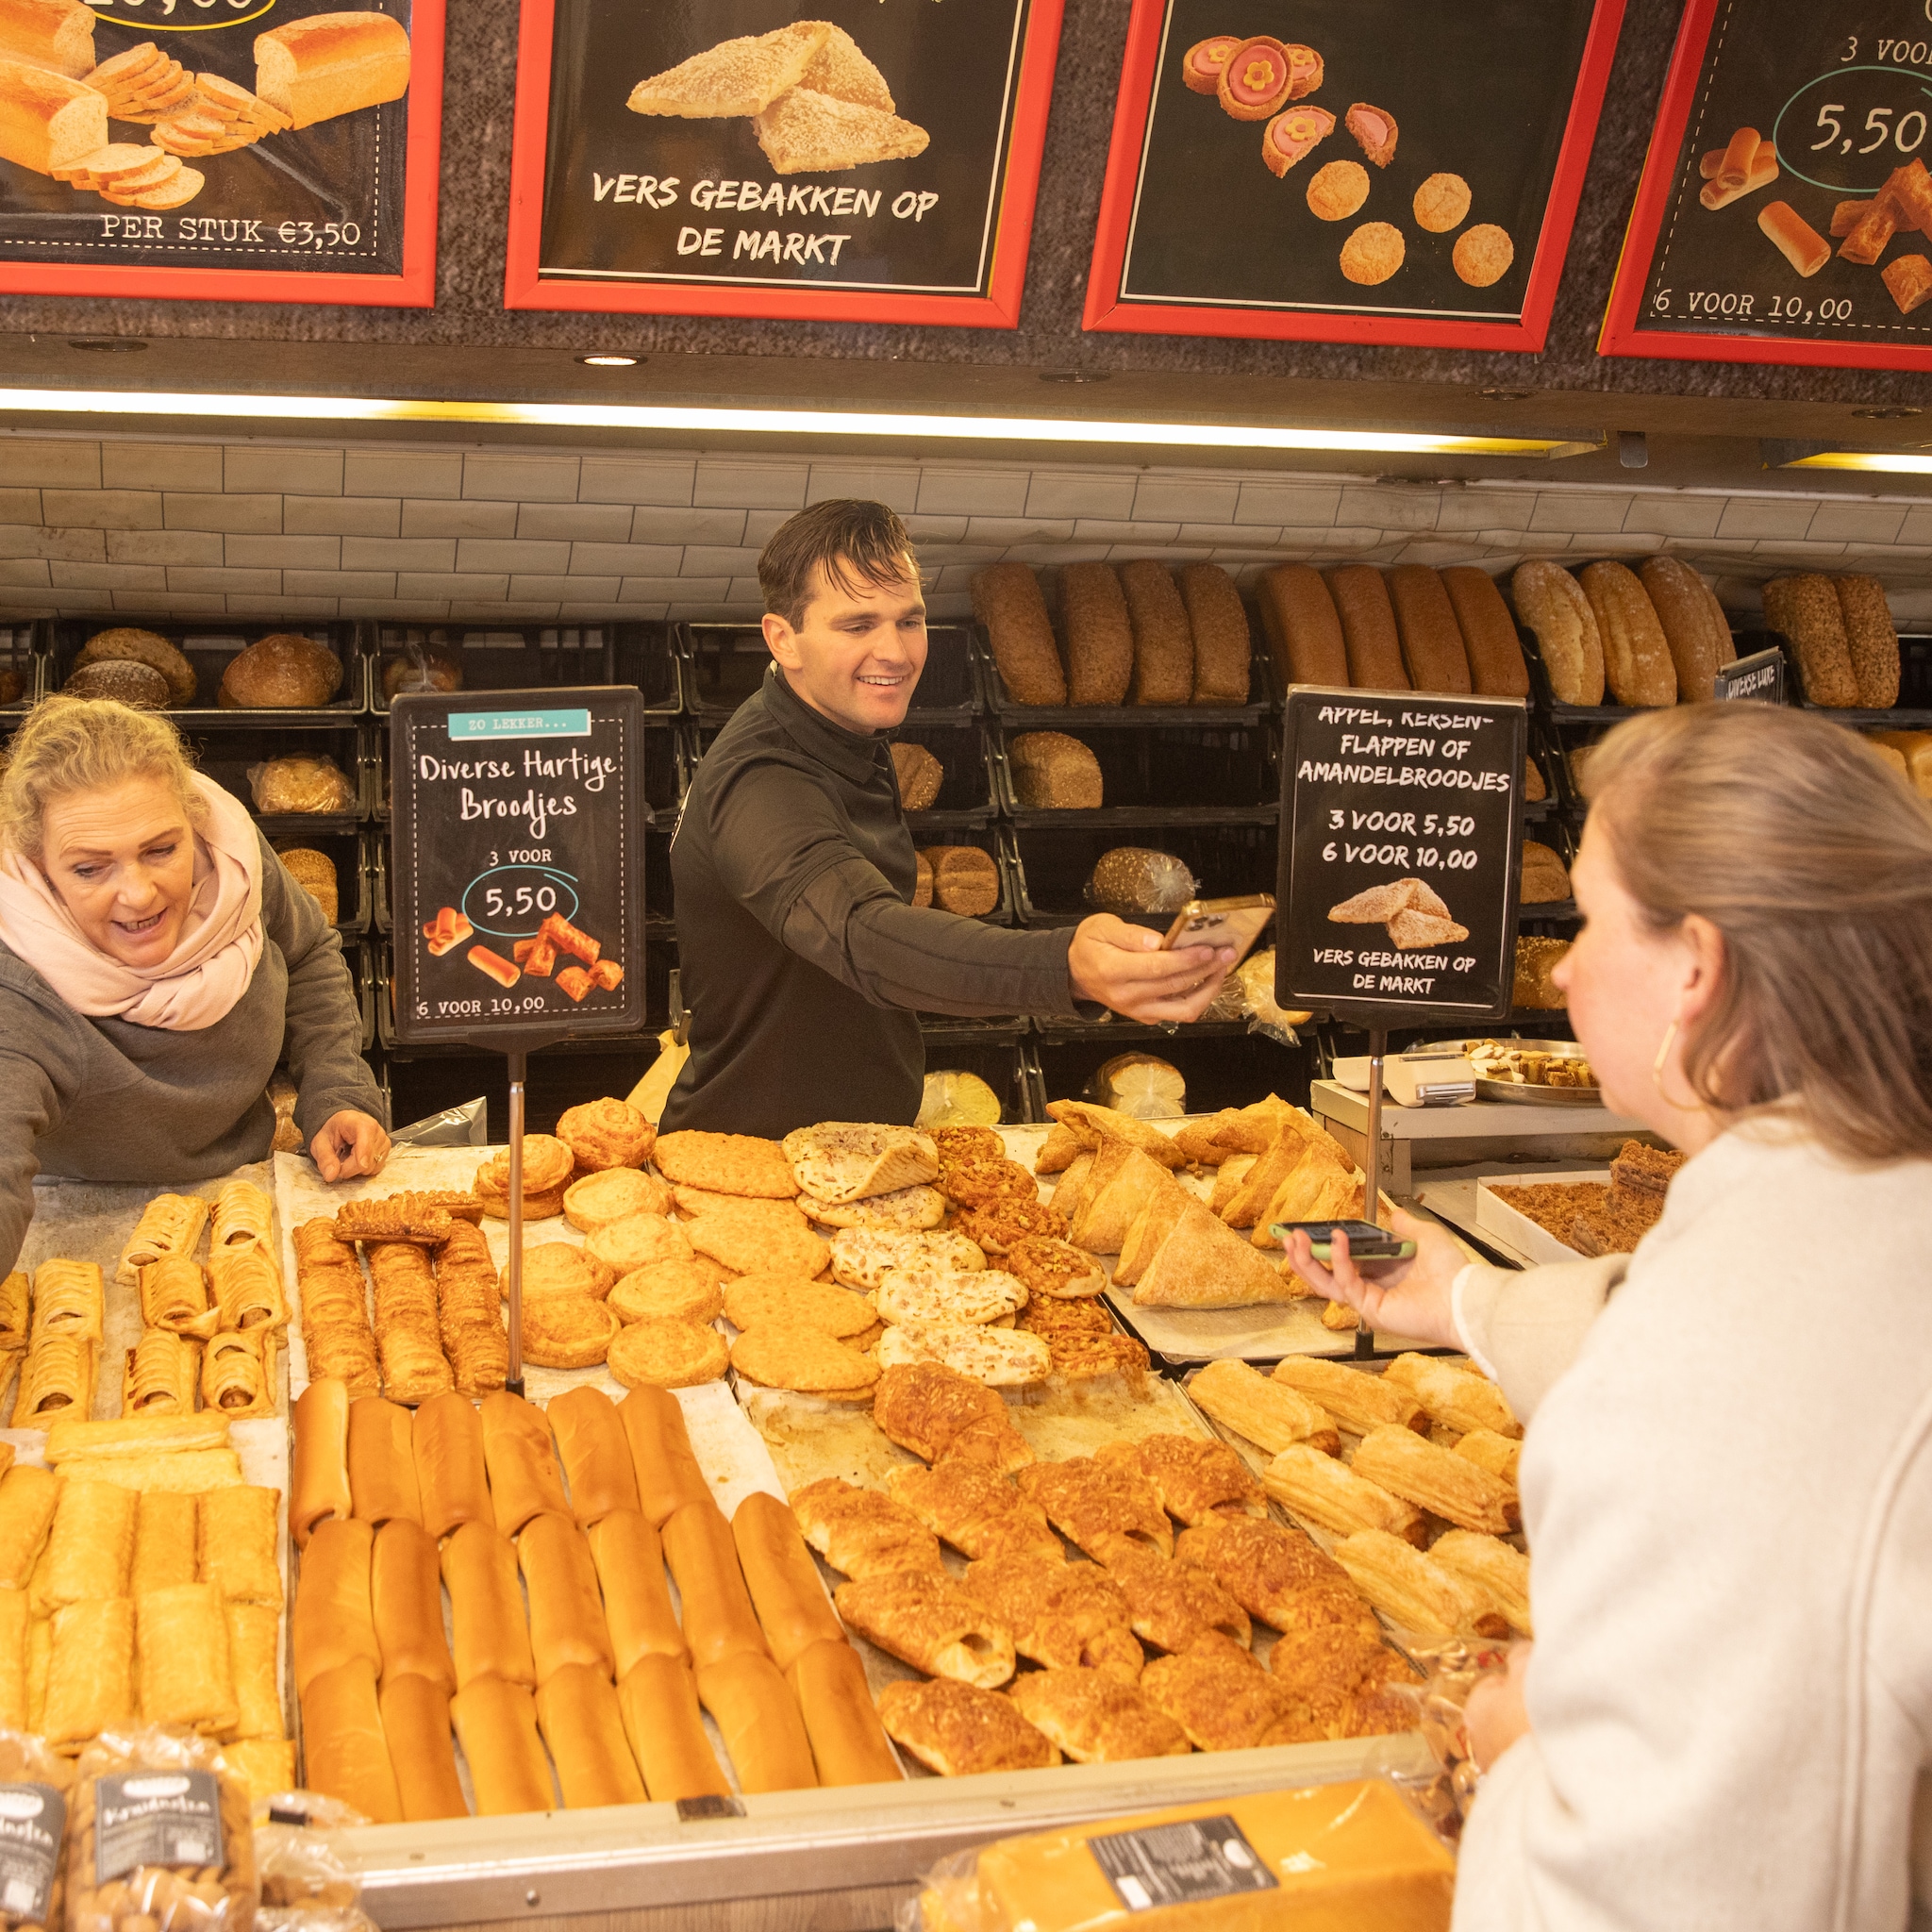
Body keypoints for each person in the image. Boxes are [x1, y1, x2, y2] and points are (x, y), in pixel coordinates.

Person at [1287, 704, 1932, 1930]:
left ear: (1697, 969)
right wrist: (1463, 1301)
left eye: (1589, 920)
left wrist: (1524, 1744)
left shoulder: (1719, 1369)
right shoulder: (1878, 1211)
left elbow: (1666, 1892)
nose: (1566, 967)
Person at [663, 500, 1241, 1136]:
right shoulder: (762, 778)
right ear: (783, 639)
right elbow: (860, 934)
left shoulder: (848, 737)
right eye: (857, 625)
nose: (897, 651)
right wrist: (1063, 966)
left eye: (908, 620)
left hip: (849, 1148)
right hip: (750, 1167)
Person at [0, 696, 390, 1274]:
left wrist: (336, 1092)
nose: (137, 894)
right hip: (71, 1221)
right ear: (39, 868)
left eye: (161, 850)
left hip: (243, 1197)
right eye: (89, 868)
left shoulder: (234, 864)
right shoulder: (18, 973)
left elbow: (308, 955)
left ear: (193, 826)